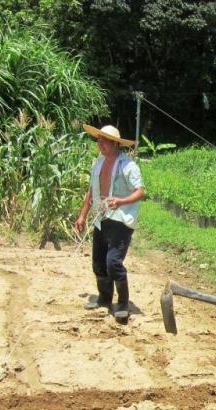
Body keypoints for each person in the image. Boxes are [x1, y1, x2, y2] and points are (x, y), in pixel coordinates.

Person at [74, 124, 145, 325]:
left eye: (104, 140)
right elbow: (92, 191)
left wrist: (120, 201)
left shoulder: (127, 165)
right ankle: (104, 298)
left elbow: (140, 191)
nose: (100, 143)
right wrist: (82, 216)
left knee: (113, 262)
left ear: (115, 144)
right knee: (98, 263)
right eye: (98, 140)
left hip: (121, 219)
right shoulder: (99, 163)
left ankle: (122, 303)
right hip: (101, 219)